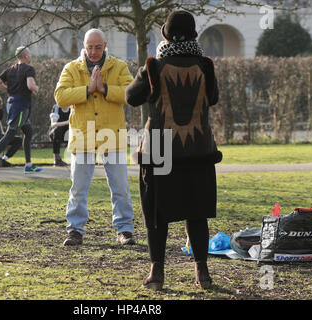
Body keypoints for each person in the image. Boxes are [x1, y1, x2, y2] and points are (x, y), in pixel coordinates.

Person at [125, 10, 221, 290]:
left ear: (165, 34)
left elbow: (132, 97)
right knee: (197, 211)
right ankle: (202, 272)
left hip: (158, 150)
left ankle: (157, 272)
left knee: (157, 213)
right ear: (194, 34)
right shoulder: (206, 65)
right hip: (198, 150)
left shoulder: (154, 66)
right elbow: (212, 98)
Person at [54, 28, 135, 246]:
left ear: (105, 45)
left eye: (98, 47)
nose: (93, 51)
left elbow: (131, 93)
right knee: (78, 188)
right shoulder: (71, 68)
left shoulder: (119, 67)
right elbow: (60, 96)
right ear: (84, 45)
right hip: (82, 135)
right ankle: (75, 231)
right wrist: (88, 90)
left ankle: (124, 230)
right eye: (90, 46)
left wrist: (105, 88)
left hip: (113, 135)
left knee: (120, 188)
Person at [0, 46, 42, 178]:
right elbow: (30, 86)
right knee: (11, 132)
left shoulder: (10, 69)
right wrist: (37, 88)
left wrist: (8, 90)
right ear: (26, 56)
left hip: (12, 104)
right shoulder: (29, 69)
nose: (30, 56)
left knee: (28, 131)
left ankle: (28, 165)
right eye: (29, 54)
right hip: (21, 106)